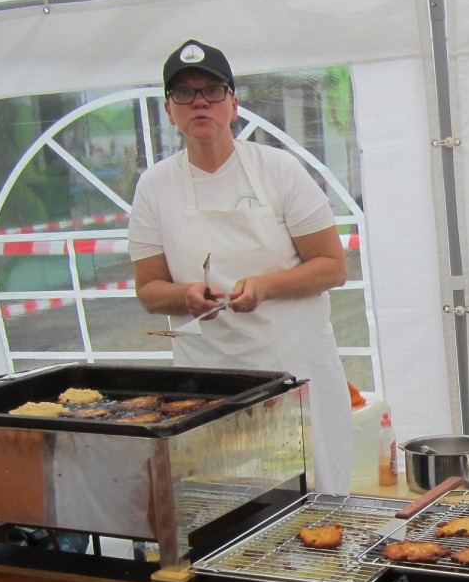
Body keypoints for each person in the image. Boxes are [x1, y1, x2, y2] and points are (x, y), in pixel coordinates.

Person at [128, 39, 352, 494]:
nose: (199, 103)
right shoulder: (155, 187)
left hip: (293, 364)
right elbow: (149, 290)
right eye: (185, 94)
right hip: (209, 375)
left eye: (212, 90)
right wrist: (185, 295)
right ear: (170, 111)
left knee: (313, 488)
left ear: (233, 103)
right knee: (225, 498)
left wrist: (265, 287)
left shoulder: (279, 170)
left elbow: (332, 266)